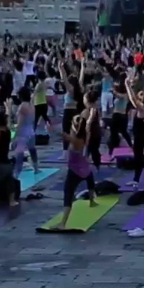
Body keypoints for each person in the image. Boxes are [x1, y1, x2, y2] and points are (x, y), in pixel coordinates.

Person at [48, 92, 99, 231]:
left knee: (68, 194)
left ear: (75, 128)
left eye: (72, 125)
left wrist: (53, 129)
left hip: (76, 170)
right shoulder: (85, 135)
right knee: (90, 178)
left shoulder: (76, 141)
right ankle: (92, 200)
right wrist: (91, 116)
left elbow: (64, 135)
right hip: (84, 167)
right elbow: (87, 126)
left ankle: (63, 223)